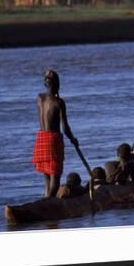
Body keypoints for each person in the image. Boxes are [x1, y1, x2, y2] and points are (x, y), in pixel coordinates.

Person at [32, 70, 79, 198]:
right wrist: (73, 139)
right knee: (55, 176)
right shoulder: (59, 102)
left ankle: (46, 200)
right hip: (53, 140)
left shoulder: (39, 98)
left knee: (47, 176)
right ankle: (48, 203)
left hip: (41, 138)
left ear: (45, 84)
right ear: (57, 85)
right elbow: (65, 127)